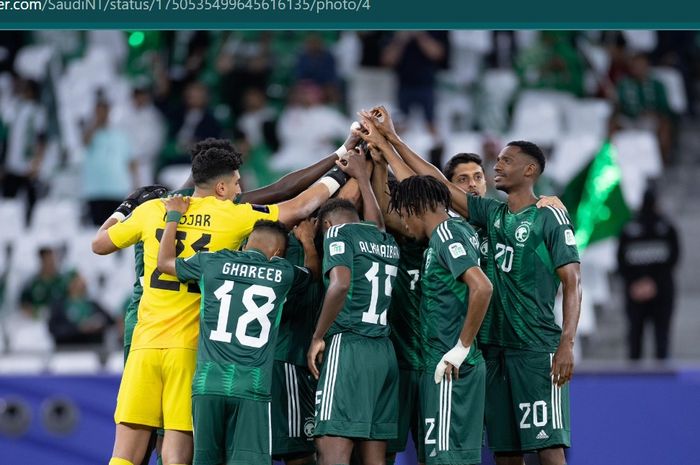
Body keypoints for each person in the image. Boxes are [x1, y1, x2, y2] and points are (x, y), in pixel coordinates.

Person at [91, 144, 344, 465]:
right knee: (176, 454)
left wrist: (125, 207)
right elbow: (299, 205)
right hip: (189, 351)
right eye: (237, 184)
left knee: (125, 454)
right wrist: (340, 166)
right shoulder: (232, 216)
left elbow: (99, 244)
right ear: (222, 187)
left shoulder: (153, 210)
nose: (241, 190)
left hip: (144, 344)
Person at [358, 108, 582, 465]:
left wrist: (566, 343)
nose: (496, 166)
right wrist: (390, 142)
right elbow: (434, 188)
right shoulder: (489, 217)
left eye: (506, 161)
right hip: (490, 348)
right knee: (505, 451)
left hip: (534, 347)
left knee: (548, 447)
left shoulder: (548, 214)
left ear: (530, 170)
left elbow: (572, 280)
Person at [157, 212, 315, 465]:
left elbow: (164, 262)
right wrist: (307, 241)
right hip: (251, 387)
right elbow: (312, 274)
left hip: (208, 383)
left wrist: (173, 217)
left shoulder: (211, 262)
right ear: (277, 254)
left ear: (244, 245)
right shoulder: (282, 272)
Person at [390, 175, 492, 465]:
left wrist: (460, 349)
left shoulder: (447, 233)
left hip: (451, 365)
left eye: (403, 213)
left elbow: (482, 287)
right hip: (444, 363)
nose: (404, 224)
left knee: (447, 460)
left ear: (414, 207)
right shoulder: (451, 232)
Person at [308, 150, 400, 465]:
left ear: (327, 223)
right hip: (384, 352)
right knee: (375, 456)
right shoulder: (385, 240)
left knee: (331, 448)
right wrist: (362, 175)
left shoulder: (336, 233)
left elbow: (341, 284)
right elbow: (376, 221)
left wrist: (318, 336)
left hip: (349, 346)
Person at [617, 186, 679, 360]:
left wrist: (639, 283)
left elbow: (673, 258)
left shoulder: (661, 228)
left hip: (645, 292)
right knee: (650, 337)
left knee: (646, 337)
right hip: (653, 291)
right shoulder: (665, 227)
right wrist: (650, 283)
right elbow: (674, 258)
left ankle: (636, 380)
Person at [82, 98, 138, 226]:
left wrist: (136, 184)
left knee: (117, 231)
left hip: (117, 190)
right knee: (97, 232)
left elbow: (132, 160)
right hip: (95, 191)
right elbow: (85, 142)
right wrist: (95, 124)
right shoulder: (90, 133)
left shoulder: (121, 134)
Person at [0, 78, 48, 225]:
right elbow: (6, 136)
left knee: (30, 202)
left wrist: (37, 162)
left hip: (28, 165)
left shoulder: (38, 111)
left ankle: (27, 229)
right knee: (8, 201)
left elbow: (41, 139)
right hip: (12, 164)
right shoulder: (15, 107)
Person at [48, 270, 114, 346]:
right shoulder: (59, 306)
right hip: (67, 350)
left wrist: (98, 324)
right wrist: (79, 328)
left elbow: (110, 320)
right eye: (78, 280)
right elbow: (54, 329)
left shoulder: (92, 304)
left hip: (92, 349)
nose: (83, 282)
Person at [19, 246, 65, 320]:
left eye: (52, 259)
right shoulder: (32, 283)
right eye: (46, 260)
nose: (50, 263)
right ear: (41, 261)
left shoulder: (62, 281)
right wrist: (36, 313)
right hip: (36, 324)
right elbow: (23, 304)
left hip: (59, 322)